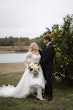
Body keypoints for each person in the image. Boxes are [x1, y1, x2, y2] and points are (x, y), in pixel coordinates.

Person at [40, 34, 55, 101]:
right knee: (45, 80)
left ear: (47, 40)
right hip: (44, 67)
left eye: (44, 40)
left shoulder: (51, 47)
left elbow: (48, 57)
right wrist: (38, 51)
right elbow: (43, 54)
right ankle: (46, 93)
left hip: (48, 67)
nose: (43, 41)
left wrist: (40, 62)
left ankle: (50, 96)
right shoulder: (46, 46)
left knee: (49, 81)